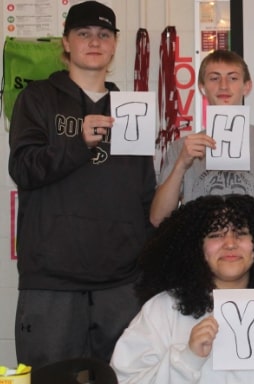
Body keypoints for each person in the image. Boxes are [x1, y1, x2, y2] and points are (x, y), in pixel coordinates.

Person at [7, 1, 156, 368]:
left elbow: (144, 195)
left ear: (114, 44)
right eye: (84, 33)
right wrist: (77, 144)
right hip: (52, 283)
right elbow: (23, 169)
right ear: (66, 43)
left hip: (121, 284)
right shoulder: (36, 99)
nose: (94, 41)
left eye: (104, 34)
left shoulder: (131, 109)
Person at [111, 194, 254, 383]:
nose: (230, 243)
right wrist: (185, 359)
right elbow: (125, 380)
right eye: (216, 235)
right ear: (196, 248)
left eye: (241, 234)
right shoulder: (162, 310)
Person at [151, 50, 254, 234]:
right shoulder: (182, 147)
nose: (223, 86)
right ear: (202, 87)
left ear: (247, 86)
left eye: (233, 78)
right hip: (199, 256)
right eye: (214, 78)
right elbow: (158, 218)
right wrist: (181, 164)